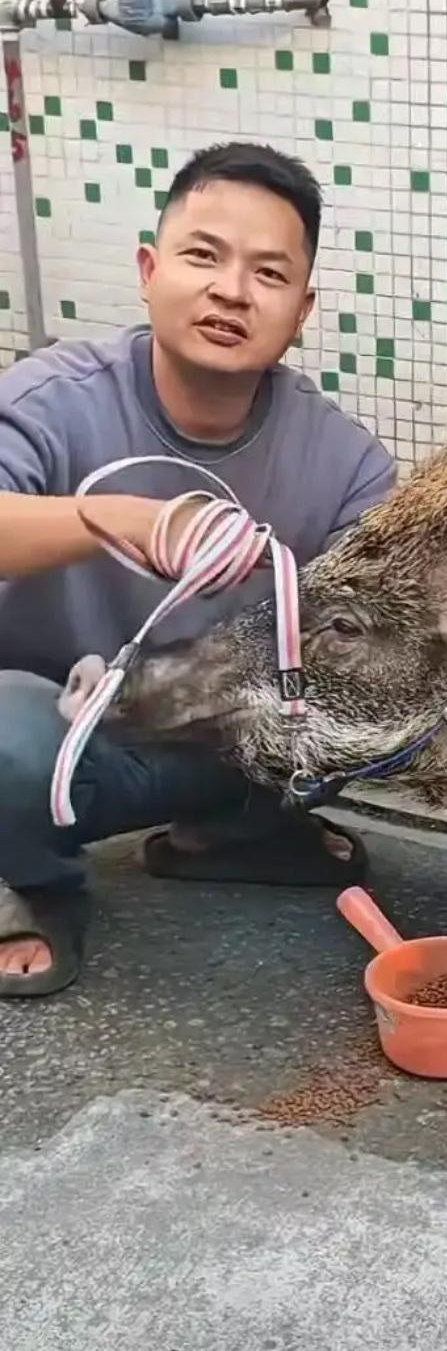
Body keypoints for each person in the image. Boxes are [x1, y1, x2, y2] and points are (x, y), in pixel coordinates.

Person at [0, 141, 397, 997]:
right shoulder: (52, 399)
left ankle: (228, 834)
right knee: (5, 741)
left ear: (302, 309)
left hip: (213, 730)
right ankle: (34, 883)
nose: (230, 290)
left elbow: (386, 617)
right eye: (203, 256)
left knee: (385, 706)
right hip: (59, 731)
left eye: (268, 273)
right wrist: (106, 517)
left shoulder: (344, 462)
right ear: (149, 270)